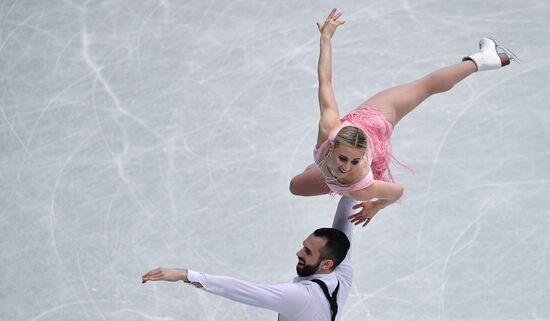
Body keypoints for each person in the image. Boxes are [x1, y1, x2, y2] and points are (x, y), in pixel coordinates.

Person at [289, 9, 520, 227]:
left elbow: (397, 191)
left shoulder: (360, 187)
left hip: (378, 120)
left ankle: (483, 60)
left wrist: (376, 205)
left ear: (362, 159)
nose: (346, 167)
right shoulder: (330, 126)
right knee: (296, 186)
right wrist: (326, 38)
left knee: (424, 87)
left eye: (354, 161)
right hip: (362, 126)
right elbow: (325, 81)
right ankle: (484, 59)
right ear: (332, 143)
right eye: (342, 158)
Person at [142, 197, 357, 321]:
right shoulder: (340, 271)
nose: (299, 253)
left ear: (327, 264)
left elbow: (243, 290)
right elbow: (345, 218)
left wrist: (185, 274)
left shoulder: (302, 297)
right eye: (304, 246)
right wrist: (360, 178)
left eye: (308, 252)